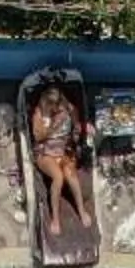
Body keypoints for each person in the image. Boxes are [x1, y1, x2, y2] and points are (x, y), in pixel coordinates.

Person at [30, 85, 90, 236]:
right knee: (58, 177)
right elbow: (38, 137)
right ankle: (55, 219)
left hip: (63, 150)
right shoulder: (39, 114)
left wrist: (79, 131)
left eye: (55, 105)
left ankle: (81, 210)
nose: (53, 109)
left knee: (71, 175)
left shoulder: (68, 109)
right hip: (46, 153)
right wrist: (54, 126)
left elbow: (76, 126)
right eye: (50, 105)